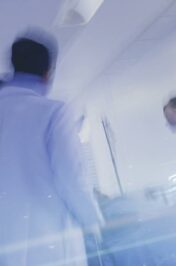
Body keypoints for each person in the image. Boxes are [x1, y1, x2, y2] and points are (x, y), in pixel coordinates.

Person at [0, 32, 104, 265]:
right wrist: (94, 223)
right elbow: (73, 178)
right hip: (48, 246)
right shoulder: (53, 113)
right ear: (48, 73)